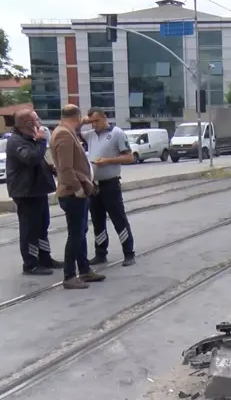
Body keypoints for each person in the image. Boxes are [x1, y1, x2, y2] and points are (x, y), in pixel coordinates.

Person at [51, 104, 106, 289]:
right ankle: (69, 275)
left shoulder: (66, 129)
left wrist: (87, 119)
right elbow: (65, 168)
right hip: (72, 193)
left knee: (81, 232)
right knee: (75, 234)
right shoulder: (64, 134)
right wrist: (78, 189)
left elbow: (78, 120)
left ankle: (84, 270)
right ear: (77, 116)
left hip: (78, 191)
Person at [5, 110, 62, 275]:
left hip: (38, 190)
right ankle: (30, 263)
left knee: (42, 226)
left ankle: (45, 258)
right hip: (26, 192)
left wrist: (49, 168)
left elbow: (38, 160)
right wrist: (42, 141)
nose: (40, 122)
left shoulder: (30, 139)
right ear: (29, 124)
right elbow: (31, 159)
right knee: (30, 229)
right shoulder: (16, 141)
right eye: (37, 119)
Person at [81, 108, 136, 266]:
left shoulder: (117, 133)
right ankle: (100, 252)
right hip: (94, 185)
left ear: (105, 118)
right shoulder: (91, 135)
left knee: (118, 218)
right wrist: (83, 121)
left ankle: (128, 252)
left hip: (110, 184)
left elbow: (129, 157)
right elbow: (72, 129)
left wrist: (107, 161)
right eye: (91, 122)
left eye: (96, 121)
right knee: (97, 221)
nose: (94, 124)